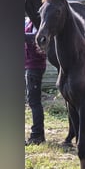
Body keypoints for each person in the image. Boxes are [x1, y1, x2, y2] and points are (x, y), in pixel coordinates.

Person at [24, 17, 47, 145]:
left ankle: (37, 135)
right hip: (29, 66)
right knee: (32, 101)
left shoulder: (39, 23)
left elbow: (36, 38)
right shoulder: (28, 21)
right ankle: (37, 133)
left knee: (34, 101)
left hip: (35, 66)